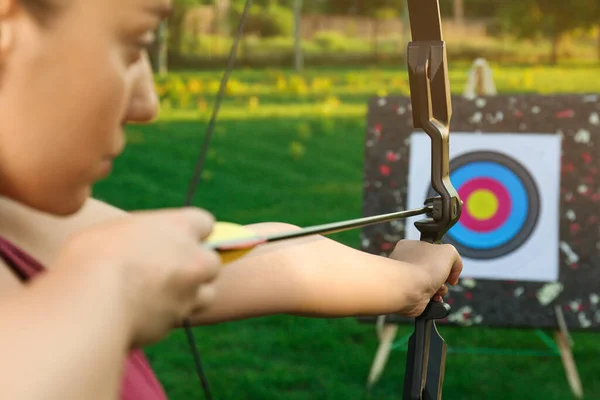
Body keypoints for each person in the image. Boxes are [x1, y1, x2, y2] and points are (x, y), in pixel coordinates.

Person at [0, 0, 464, 399]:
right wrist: (112, 287)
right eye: (135, 44)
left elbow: (268, 260)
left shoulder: (23, 225)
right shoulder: (93, 274)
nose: (147, 104)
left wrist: (409, 280)